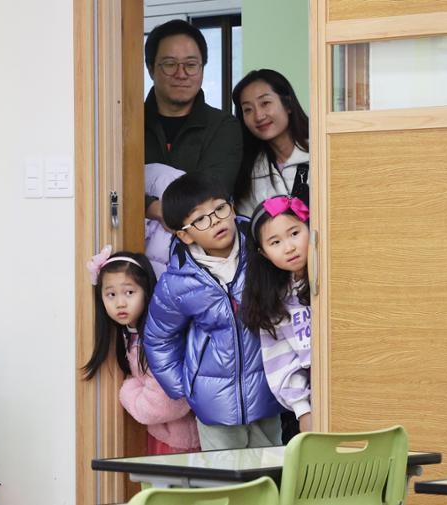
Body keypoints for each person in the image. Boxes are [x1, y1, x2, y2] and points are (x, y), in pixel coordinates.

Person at [143, 172, 285, 450]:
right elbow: (159, 338)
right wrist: (186, 388)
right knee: (226, 480)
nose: (215, 221)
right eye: (200, 219)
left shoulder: (263, 252)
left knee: (271, 474)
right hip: (213, 404)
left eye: (220, 208)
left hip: (268, 389)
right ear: (183, 235)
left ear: (232, 207)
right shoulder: (177, 282)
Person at [82, 245, 200, 455]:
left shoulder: (157, 338)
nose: (120, 303)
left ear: (147, 291)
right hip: (166, 435)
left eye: (129, 292)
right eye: (111, 294)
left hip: (180, 441)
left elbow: (168, 402)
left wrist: (129, 392)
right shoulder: (131, 334)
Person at [144, 19, 242, 228]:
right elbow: (113, 185)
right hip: (133, 246)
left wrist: (154, 207)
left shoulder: (224, 127)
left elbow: (210, 196)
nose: (181, 74)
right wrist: (151, 206)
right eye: (170, 64)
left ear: (202, 68)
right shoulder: (127, 126)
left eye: (190, 65)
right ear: (151, 68)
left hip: (200, 253)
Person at [242, 196, 313, 439]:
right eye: (275, 242)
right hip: (316, 394)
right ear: (263, 253)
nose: (289, 247)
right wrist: (303, 411)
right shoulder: (274, 301)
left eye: (294, 233)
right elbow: (281, 361)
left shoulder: (333, 276)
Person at [231, 69, 310, 217]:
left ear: (288, 104)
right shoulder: (248, 171)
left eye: (265, 103)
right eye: (248, 109)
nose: (259, 116)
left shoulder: (321, 151)